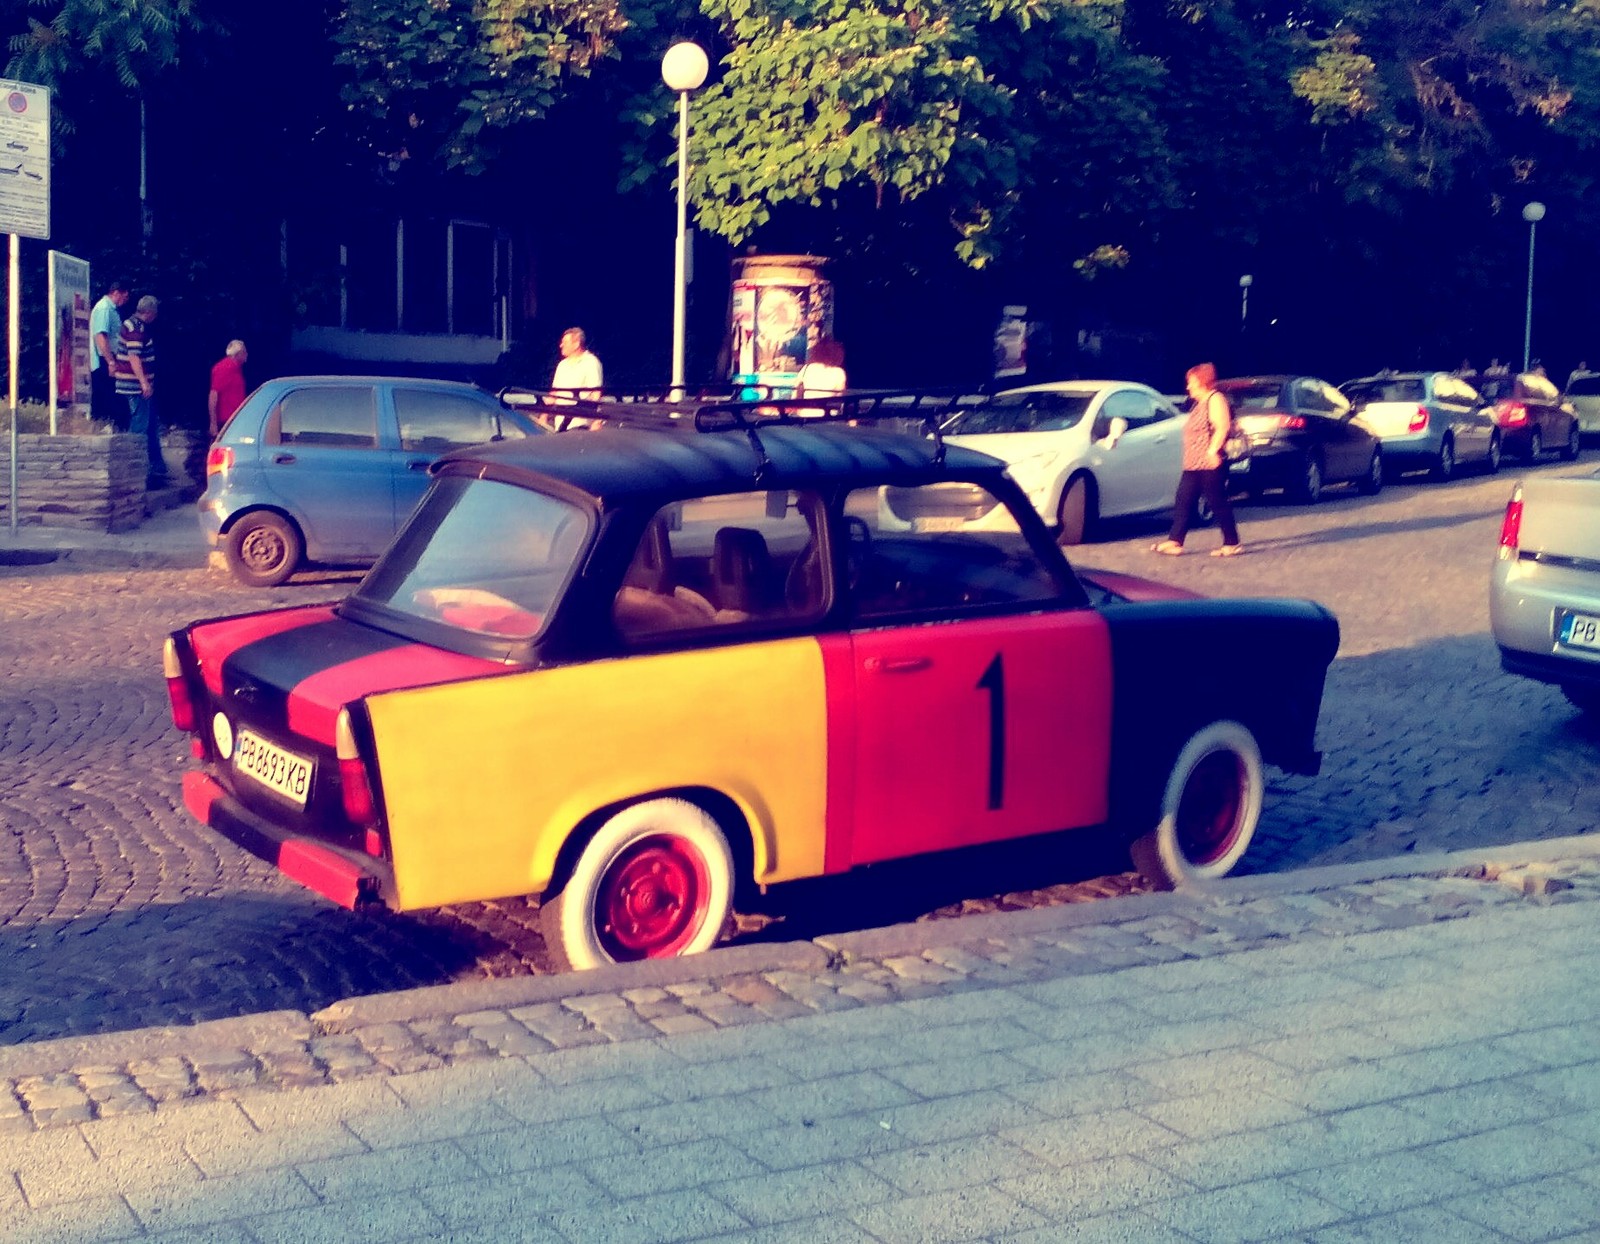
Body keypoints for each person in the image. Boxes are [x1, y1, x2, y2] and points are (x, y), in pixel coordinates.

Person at [1153, 361, 1243, 557]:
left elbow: (1222, 427)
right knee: (1183, 499)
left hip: (1210, 461)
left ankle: (1232, 542)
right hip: (1193, 462)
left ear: (1202, 382)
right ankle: (1175, 541)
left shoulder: (1215, 399)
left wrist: (1212, 451)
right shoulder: (1199, 403)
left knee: (1216, 500)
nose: (1188, 387)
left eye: (1191, 382)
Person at [112, 295, 167, 489]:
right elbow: (134, 357)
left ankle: (156, 468)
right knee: (140, 427)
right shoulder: (137, 329)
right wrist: (144, 383)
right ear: (150, 312)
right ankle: (135, 470)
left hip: (134, 385)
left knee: (150, 425)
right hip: (135, 386)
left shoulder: (129, 324)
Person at [89, 278, 130, 429]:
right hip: (103, 360)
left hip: (107, 358)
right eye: (124, 297)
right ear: (116, 293)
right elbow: (100, 335)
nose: (125, 301)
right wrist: (110, 361)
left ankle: (111, 426)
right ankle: (106, 426)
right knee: (108, 396)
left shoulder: (111, 309)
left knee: (111, 396)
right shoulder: (104, 309)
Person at [208, 339, 249, 437]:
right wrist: (213, 423)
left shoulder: (236, 369)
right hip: (226, 420)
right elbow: (213, 395)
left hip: (234, 419)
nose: (246, 354)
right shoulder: (224, 368)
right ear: (238, 354)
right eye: (244, 352)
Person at [551, 327, 603, 398]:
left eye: (565, 342)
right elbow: (554, 393)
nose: (561, 345)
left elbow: (595, 394)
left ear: (576, 344)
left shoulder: (591, 363)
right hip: (556, 408)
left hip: (579, 408)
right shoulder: (562, 365)